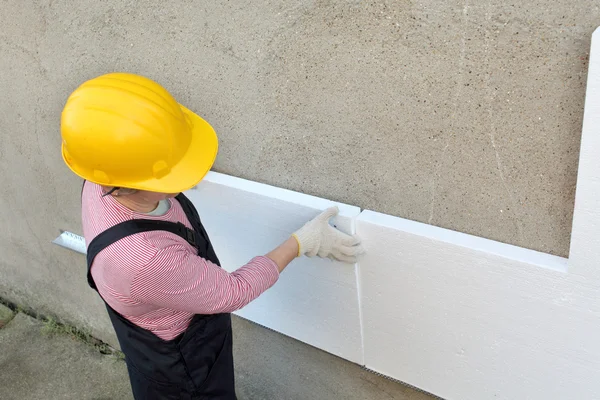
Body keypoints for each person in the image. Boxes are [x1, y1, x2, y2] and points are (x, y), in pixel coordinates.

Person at [60, 72, 363, 400]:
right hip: (183, 370)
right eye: (176, 168)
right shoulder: (146, 259)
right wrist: (302, 242)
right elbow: (234, 291)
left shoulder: (100, 179)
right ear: (137, 181)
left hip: (153, 335)